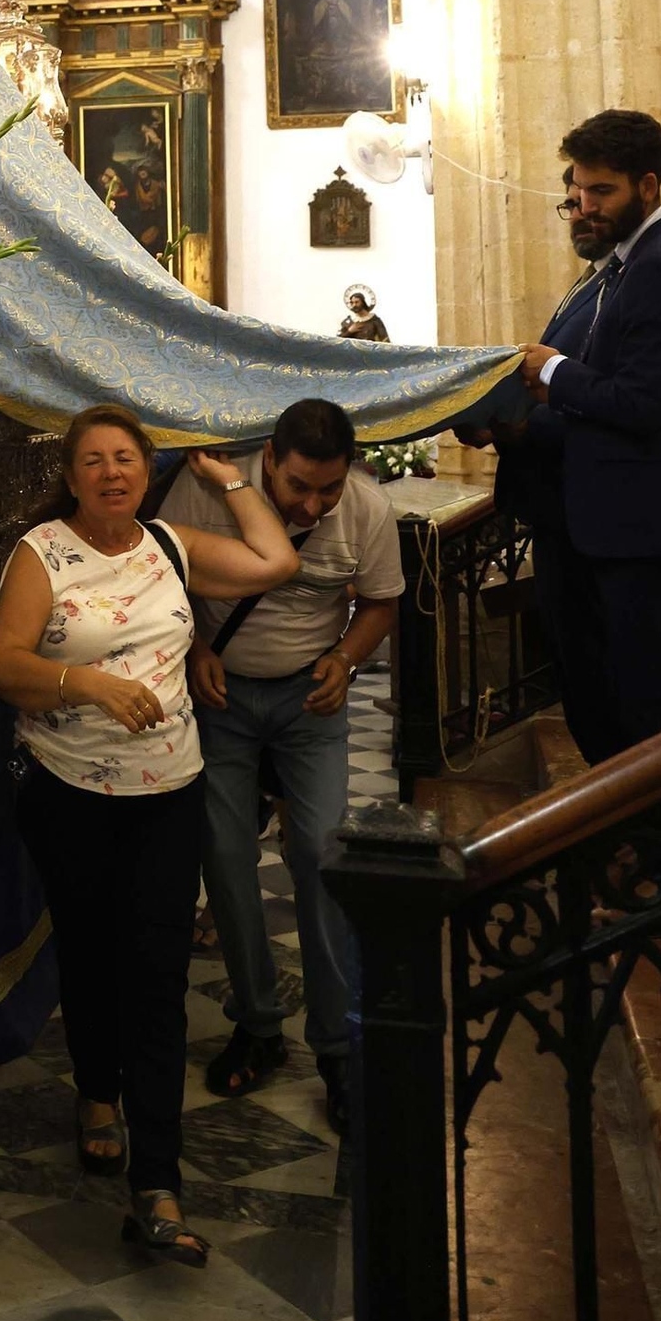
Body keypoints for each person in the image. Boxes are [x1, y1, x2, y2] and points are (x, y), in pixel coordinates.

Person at [0, 406, 297, 1261]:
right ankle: (94, 1094)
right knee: (89, 956)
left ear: (147, 468)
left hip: (170, 793)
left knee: (157, 981)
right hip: (69, 792)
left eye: (126, 458)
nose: (111, 473)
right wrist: (83, 682)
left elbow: (277, 560)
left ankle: (158, 1185)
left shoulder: (170, 545)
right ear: (73, 475)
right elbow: (2, 666)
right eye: (93, 461)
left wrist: (228, 480)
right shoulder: (41, 554)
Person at [162, 397, 403, 1137]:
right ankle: (258, 1024)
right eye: (300, 485)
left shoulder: (364, 508)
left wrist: (344, 657)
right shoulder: (206, 485)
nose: (313, 503)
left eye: (328, 488)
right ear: (269, 456)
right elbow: (164, 577)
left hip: (311, 707)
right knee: (227, 859)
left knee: (322, 857)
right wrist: (197, 649)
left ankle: (337, 1047)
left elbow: (381, 603)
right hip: (222, 698)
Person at [514, 110, 661, 764]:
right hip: (593, 522)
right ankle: (626, 846)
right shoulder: (620, 265)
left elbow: (638, 402)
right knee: (594, 695)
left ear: (647, 186)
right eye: (577, 192)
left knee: (650, 705)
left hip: (633, 527)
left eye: (602, 192)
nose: (583, 206)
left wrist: (553, 368)